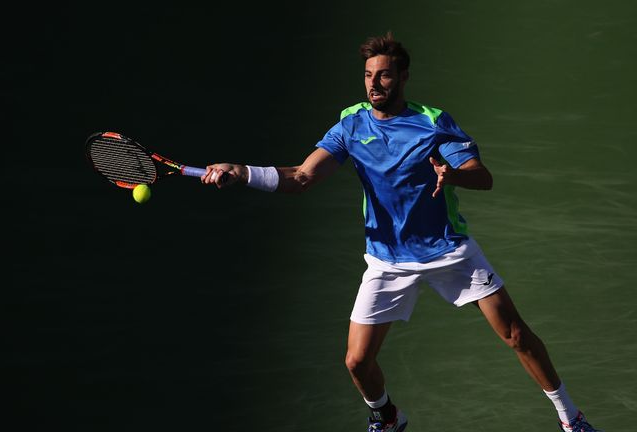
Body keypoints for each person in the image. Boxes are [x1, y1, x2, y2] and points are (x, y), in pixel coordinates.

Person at [200, 33, 601, 432]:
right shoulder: (351, 123)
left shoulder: (433, 121)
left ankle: (571, 419)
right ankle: (387, 416)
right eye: (368, 75)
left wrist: (454, 174)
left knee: (516, 335)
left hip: (447, 250)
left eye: (385, 75)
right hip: (386, 259)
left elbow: (484, 178)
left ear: (403, 78)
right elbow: (302, 177)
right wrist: (243, 172)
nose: (374, 83)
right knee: (357, 362)